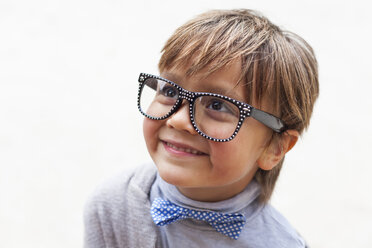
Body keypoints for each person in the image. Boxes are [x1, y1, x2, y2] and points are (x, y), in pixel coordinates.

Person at [84, 9, 319, 248]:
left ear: (275, 148)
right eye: (169, 91)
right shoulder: (114, 206)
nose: (178, 120)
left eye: (218, 105)